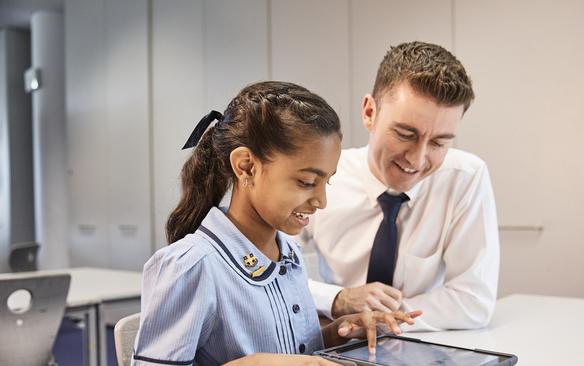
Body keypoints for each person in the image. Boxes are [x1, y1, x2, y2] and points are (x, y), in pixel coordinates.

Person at [131, 81, 421, 366]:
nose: (321, 201)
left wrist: (338, 334)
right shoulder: (191, 266)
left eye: (326, 182)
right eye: (306, 182)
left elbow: (291, 349)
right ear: (246, 166)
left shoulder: (289, 253)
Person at [299, 41, 499, 331]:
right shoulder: (324, 174)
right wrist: (338, 299)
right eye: (406, 134)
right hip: (336, 339)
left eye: (439, 142)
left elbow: (473, 300)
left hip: (423, 346)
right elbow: (268, 275)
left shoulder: (465, 178)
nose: (417, 159)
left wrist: (380, 320)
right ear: (369, 112)